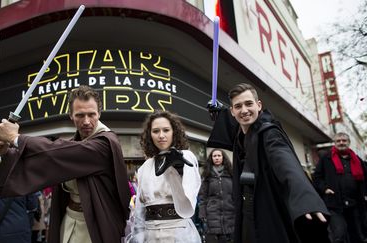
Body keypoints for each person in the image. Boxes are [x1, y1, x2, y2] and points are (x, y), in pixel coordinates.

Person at [0, 85, 130, 243]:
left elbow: (55, 151)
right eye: (80, 115)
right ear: (71, 116)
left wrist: (15, 138)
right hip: (68, 221)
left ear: (99, 114)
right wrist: (6, 151)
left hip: (97, 225)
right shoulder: (74, 144)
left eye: (92, 114)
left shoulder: (105, 143)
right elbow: (44, 162)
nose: (87, 121)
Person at [207, 83, 330, 243]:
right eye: (238, 106)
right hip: (246, 215)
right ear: (232, 111)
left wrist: (304, 198)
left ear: (259, 106)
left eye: (249, 104)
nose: (244, 110)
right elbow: (236, 127)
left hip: (267, 214)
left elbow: (286, 162)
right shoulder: (242, 133)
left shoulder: (269, 133)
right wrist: (220, 113)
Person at [126, 110, 202, 242]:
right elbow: (140, 208)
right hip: (150, 234)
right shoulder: (145, 167)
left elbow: (190, 190)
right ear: (150, 135)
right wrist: (137, 234)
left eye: (166, 130)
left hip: (179, 232)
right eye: (156, 131)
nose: (161, 135)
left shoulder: (186, 156)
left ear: (174, 132)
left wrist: (179, 167)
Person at [312, 132, 367, 243]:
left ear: (349, 143)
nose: (341, 143)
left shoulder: (357, 160)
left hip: (355, 204)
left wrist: (365, 193)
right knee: (339, 235)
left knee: (358, 235)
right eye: (338, 141)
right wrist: (325, 188)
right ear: (334, 143)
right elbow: (317, 177)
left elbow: (365, 178)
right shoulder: (326, 158)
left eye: (344, 140)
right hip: (334, 204)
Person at [199, 148, 235, 243]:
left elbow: (236, 194)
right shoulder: (207, 175)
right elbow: (203, 196)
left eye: (219, 156)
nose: (217, 158)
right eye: (214, 156)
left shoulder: (231, 174)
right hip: (212, 214)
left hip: (230, 213)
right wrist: (202, 213)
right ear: (211, 158)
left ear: (223, 158)